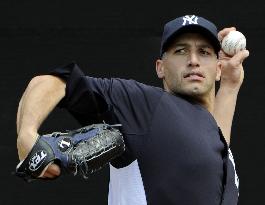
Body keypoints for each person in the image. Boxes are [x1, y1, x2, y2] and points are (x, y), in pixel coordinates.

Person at [16, 15, 249, 205]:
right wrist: (27, 134)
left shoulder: (214, 143)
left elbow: (212, 144)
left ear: (218, 69)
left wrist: (229, 86)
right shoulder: (146, 106)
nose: (193, 60)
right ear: (160, 67)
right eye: (181, 51)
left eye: (204, 52)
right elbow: (52, 83)